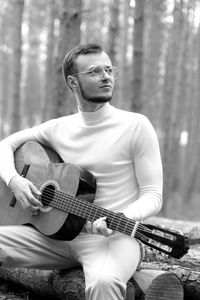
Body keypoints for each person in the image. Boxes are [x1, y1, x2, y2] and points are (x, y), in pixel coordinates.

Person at [0, 43, 163, 300]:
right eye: (95, 71)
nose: (106, 76)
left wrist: (123, 217)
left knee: (104, 282)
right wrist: (16, 182)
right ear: (73, 82)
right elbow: (4, 146)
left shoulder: (136, 126)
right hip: (55, 237)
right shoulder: (58, 128)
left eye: (109, 70)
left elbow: (153, 194)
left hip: (112, 240)